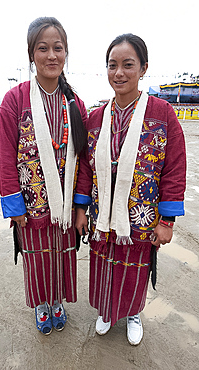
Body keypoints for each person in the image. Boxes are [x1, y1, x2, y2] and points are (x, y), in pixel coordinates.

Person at [74, 33, 186, 345]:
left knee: (135, 267)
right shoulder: (96, 117)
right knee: (104, 263)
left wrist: (167, 221)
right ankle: (107, 311)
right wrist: (81, 209)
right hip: (102, 214)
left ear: (143, 68)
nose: (119, 72)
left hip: (142, 213)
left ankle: (133, 313)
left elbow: (175, 167)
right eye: (112, 65)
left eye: (128, 65)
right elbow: (85, 167)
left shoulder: (163, 114)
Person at [0, 17, 87, 335]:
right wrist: (13, 204)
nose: (51, 56)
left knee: (61, 259)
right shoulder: (14, 101)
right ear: (31, 54)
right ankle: (41, 306)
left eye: (57, 48)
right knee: (37, 260)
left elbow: (84, 161)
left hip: (64, 210)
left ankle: (57, 301)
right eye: (43, 48)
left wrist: (80, 207)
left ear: (66, 53)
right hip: (31, 207)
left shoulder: (76, 104)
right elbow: (5, 158)